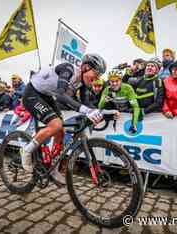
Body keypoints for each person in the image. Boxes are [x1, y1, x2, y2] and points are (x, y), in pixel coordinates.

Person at [21, 53, 113, 185]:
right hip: (33, 93)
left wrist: (103, 113)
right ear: (86, 67)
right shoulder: (68, 69)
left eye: (99, 76)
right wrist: (87, 111)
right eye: (96, 73)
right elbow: (60, 94)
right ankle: (27, 150)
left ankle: (53, 169)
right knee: (56, 125)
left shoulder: (84, 83)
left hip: (47, 96)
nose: (97, 78)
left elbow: (87, 104)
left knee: (61, 132)